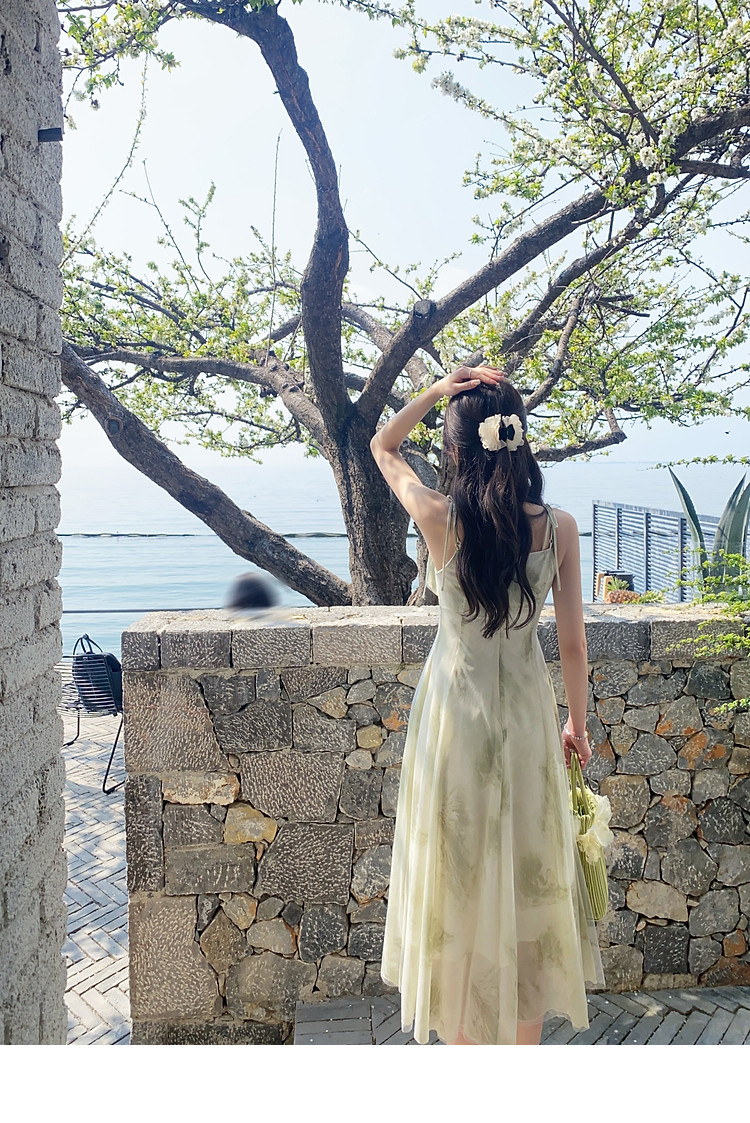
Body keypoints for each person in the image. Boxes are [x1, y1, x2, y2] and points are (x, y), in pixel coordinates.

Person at [370, 364, 605, 1046]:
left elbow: (383, 446)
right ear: (520, 437)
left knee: (457, 887)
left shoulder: (437, 516)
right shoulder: (559, 528)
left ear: (457, 445)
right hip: (528, 723)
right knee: (526, 885)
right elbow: (572, 646)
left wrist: (437, 391)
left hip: (454, 723)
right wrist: (577, 725)